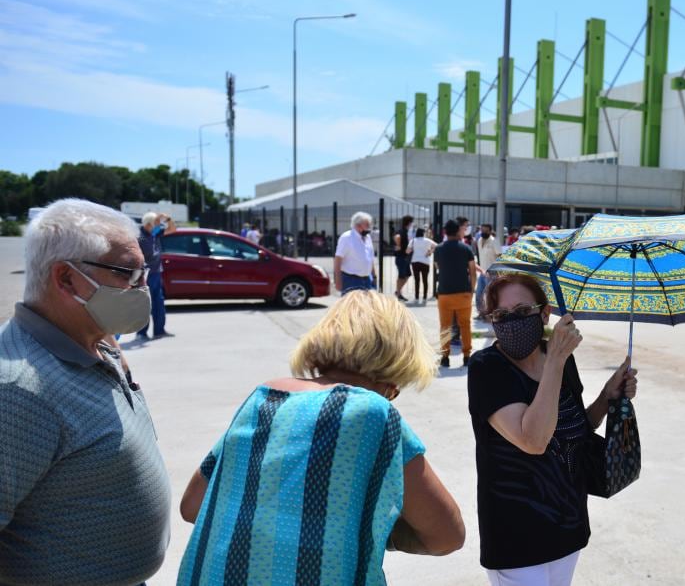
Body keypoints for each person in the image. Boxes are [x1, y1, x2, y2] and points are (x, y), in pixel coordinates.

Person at [177, 291, 465, 584]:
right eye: (393, 391)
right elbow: (447, 535)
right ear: (390, 373)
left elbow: (192, 505)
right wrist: (369, 526)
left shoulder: (264, 398)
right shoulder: (372, 413)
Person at [0, 199, 170, 585]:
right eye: (127, 273)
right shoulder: (16, 391)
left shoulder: (95, 341)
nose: (142, 286)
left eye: (143, 272)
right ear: (65, 279)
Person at [467, 273, 637, 585]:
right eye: (501, 316)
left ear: (544, 314)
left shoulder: (559, 359)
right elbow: (533, 440)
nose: (511, 322)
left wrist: (606, 397)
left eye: (521, 312)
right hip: (516, 535)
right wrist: (556, 361)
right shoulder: (487, 369)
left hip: (567, 524)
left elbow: (573, 431)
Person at [435, 220, 477, 368]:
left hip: (445, 293)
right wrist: (472, 290)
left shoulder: (439, 249)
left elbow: (437, 267)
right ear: (459, 232)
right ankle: (466, 356)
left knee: (445, 327)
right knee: (465, 325)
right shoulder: (466, 249)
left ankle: (445, 358)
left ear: (445, 232)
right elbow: (472, 271)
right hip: (463, 293)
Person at [136, 211, 176, 340]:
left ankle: (159, 330)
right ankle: (141, 333)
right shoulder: (140, 236)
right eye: (156, 224)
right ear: (148, 224)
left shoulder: (155, 233)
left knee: (158, 303)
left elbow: (172, 229)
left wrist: (168, 218)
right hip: (145, 275)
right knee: (145, 304)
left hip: (156, 273)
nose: (159, 226)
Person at [335, 211, 377, 294]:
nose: (369, 228)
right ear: (358, 225)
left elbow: (370, 259)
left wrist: (374, 276)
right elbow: (338, 259)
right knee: (352, 306)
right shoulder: (347, 237)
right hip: (351, 280)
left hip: (367, 279)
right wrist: (338, 281)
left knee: (368, 305)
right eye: (367, 225)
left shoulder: (368, 238)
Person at [474, 223, 502, 318]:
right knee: (479, 294)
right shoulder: (479, 240)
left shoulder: (494, 241)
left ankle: (492, 314)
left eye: (486, 230)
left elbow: (500, 257)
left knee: (490, 295)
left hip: (492, 272)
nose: (483, 232)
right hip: (482, 272)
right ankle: (481, 313)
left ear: (490, 231)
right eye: (482, 230)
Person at [407, 227, 436, 302]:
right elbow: (436, 246)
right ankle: (425, 297)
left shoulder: (413, 240)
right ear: (423, 233)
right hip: (425, 262)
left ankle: (416, 297)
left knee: (417, 280)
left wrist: (413, 249)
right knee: (425, 280)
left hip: (415, 261)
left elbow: (407, 251)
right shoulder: (427, 240)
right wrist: (430, 252)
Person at [393, 215, 414, 301]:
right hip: (401, 257)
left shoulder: (404, 230)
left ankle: (398, 291)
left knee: (407, 275)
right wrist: (398, 245)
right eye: (412, 222)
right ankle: (398, 293)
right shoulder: (402, 231)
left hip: (404, 257)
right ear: (409, 223)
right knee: (401, 276)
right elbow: (397, 237)